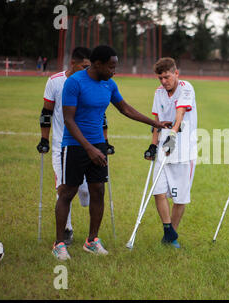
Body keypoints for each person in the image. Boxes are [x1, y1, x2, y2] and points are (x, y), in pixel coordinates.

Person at [52, 45, 169, 260]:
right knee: (67, 192)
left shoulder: (109, 84)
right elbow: (68, 120)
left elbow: (125, 109)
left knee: (98, 192)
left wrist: (155, 123)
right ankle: (59, 244)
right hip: (76, 146)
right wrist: (89, 148)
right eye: (111, 66)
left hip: (98, 145)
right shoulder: (74, 82)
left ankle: (92, 241)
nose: (114, 70)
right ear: (97, 64)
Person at [37, 47, 116, 247]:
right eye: (84, 65)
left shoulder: (97, 81)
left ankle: (91, 239)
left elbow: (102, 115)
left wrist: (105, 141)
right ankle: (66, 232)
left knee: (89, 193)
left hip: (92, 143)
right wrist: (44, 139)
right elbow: (46, 113)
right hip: (63, 145)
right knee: (64, 190)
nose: (87, 68)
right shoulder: (56, 81)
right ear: (73, 63)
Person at [143, 57, 198, 249]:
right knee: (158, 192)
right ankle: (168, 230)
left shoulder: (186, 87)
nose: (164, 82)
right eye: (160, 78)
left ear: (176, 73)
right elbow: (156, 121)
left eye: (167, 77)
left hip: (184, 151)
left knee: (180, 198)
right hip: (162, 150)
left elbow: (180, 113)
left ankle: (171, 235)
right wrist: (153, 145)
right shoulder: (158, 93)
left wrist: (173, 135)